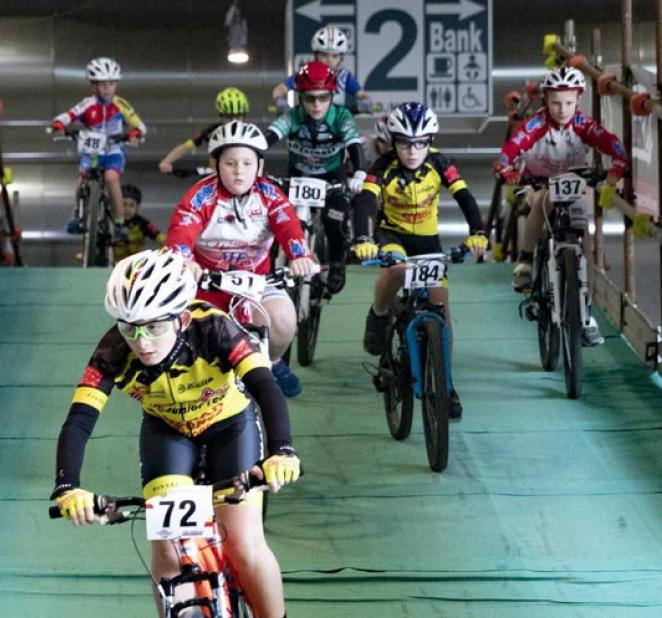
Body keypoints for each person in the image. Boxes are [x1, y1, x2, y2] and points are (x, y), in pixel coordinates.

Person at [50, 248, 314, 618]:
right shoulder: (113, 349)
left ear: (181, 317)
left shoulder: (215, 328)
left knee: (242, 542)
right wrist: (68, 485)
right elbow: (80, 420)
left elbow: (265, 387)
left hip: (231, 427)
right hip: (169, 434)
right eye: (130, 328)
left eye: (154, 327)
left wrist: (282, 451)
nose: (141, 342)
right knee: (168, 552)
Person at [352, 102, 487, 420]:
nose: (412, 151)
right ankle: (379, 313)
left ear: (430, 141)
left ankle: (447, 385)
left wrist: (478, 233)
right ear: (394, 143)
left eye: (420, 144)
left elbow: (465, 197)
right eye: (404, 144)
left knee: (442, 307)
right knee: (396, 270)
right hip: (393, 235)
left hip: (428, 241)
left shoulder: (440, 163)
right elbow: (366, 202)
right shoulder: (383, 166)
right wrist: (363, 239)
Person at [165, 120, 314, 399]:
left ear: (260, 166)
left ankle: (274, 363)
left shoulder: (270, 194)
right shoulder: (200, 196)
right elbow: (181, 230)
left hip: (257, 282)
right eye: (230, 163)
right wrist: (183, 259)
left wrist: (299, 255)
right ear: (215, 165)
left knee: (284, 321)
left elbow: (289, 225)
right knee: (189, 340)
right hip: (207, 285)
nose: (238, 171)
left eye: (247, 163)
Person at [495, 65, 627, 344]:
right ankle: (525, 261)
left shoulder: (583, 124)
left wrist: (617, 167)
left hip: (573, 186)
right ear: (546, 100)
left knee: (585, 236)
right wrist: (505, 167)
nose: (562, 109)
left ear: (578, 99)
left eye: (568, 102)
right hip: (538, 184)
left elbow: (613, 144)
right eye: (555, 102)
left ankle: (586, 310)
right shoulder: (537, 124)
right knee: (544, 200)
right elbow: (513, 146)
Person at [267, 60, 364, 296]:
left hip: (332, 176)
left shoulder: (341, 116)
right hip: (298, 175)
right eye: (310, 98)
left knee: (335, 220)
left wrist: (359, 172)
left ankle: (337, 263)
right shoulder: (292, 116)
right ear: (300, 98)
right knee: (276, 219)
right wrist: (248, 156)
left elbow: (354, 144)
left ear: (332, 96)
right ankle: (270, 265)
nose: (317, 104)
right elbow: (268, 137)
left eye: (323, 98)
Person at [51, 57, 146, 243]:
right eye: (101, 84)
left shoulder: (120, 104)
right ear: (92, 85)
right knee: (82, 177)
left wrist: (135, 133)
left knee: (111, 178)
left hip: (113, 149)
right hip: (93, 151)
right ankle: (78, 214)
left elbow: (139, 125)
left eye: (111, 84)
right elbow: (67, 116)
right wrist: (59, 125)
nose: (106, 88)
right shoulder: (87, 103)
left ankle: (119, 223)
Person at [272, 25, 372, 112]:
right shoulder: (305, 73)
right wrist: (279, 100)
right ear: (316, 55)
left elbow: (361, 94)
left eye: (334, 56)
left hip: (336, 123)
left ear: (341, 58)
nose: (329, 60)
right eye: (324, 55)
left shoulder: (344, 76)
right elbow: (280, 89)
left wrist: (366, 101)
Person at [158, 87, 249, 173]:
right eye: (229, 117)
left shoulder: (250, 132)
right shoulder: (214, 131)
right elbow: (186, 146)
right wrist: (166, 161)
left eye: (238, 116)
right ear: (221, 115)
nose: (233, 121)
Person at [112, 184, 166, 261]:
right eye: (124, 204)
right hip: (114, 261)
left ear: (137, 207)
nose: (127, 209)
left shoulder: (143, 223)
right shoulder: (110, 222)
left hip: (137, 261)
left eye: (131, 205)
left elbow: (160, 237)